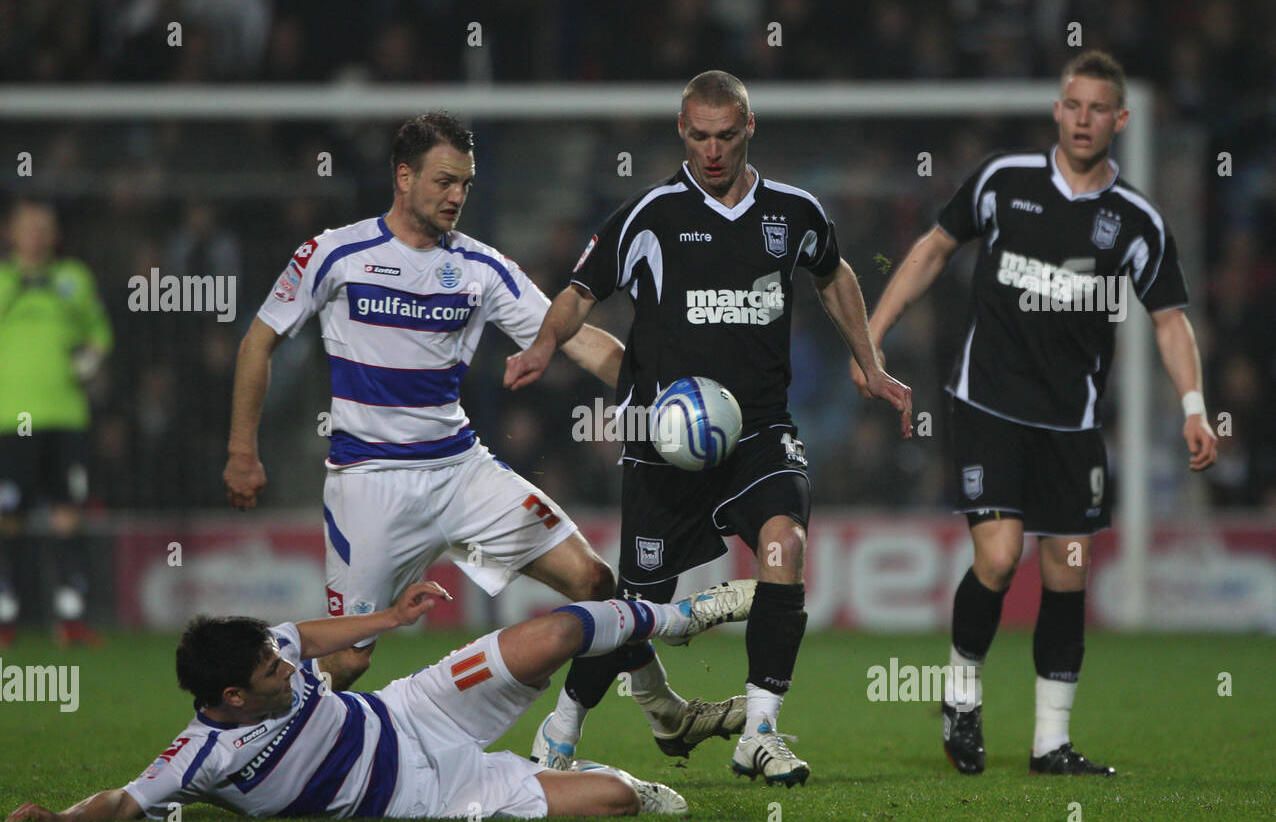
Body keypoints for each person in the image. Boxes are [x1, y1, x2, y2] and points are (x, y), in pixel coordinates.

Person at [222, 112, 741, 761]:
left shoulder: (479, 266)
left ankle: (663, 710)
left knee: (594, 581)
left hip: (462, 470)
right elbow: (260, 338)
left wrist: (663, 395)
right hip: (371, 486)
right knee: (349, 659)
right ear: (403, 176)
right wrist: (243, 449)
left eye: (465, 183)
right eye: (444, 180)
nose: (455, 195)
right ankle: (242, 749)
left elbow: (575, 339)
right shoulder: (337, 253)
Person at [507, 71, 912, 785]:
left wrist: (870, 363)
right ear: (681, 130)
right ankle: (560, 730)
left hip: (758, 431)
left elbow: (835, 272)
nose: (713, 150)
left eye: (726, 135)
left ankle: (759, 731)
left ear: (749, 128)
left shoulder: (794, 211)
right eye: (699, 135)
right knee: (640, 605)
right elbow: (579, 292)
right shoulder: (650, 215)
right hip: (667, 442)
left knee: (784, 546)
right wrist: (543, 346)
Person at [854, 51, 1218, 776]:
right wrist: (872, 340)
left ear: (1120, 120)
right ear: (1057, 110)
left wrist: (1194, 407)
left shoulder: (1136, 222)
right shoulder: (1003, 182)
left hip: (1072, 424)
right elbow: (932, 251)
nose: (1082, 120)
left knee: (1069, 571)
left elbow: (1169, 321)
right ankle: (961, 694)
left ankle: (1051, 743)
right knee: (998, 555)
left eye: (1097, 109)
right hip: (986, 401)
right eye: (1071, 105)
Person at [4, 579, 753, 822]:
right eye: (272, 672)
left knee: (557, 629)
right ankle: (589, 774)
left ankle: (684, 617)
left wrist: (392, 620)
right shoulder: (199, 757)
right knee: (624, 802)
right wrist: (60, 819)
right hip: (427, 793)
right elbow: (126, 801)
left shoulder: (265, 650)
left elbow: (306, 632)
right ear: (232, 697)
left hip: (415, 710)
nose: (287, 666)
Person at [0, 200, 112, 648]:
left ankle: (70, 621)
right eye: (27, 226)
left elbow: (99, 333)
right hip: (11, 419)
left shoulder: (73, 278)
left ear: (53, 236)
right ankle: (5, 619)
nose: (36, 234)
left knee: (67, 515)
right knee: (10, 515)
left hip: (67, 416)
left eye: (43, 227)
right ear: (11, 234)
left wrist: (91, 357)